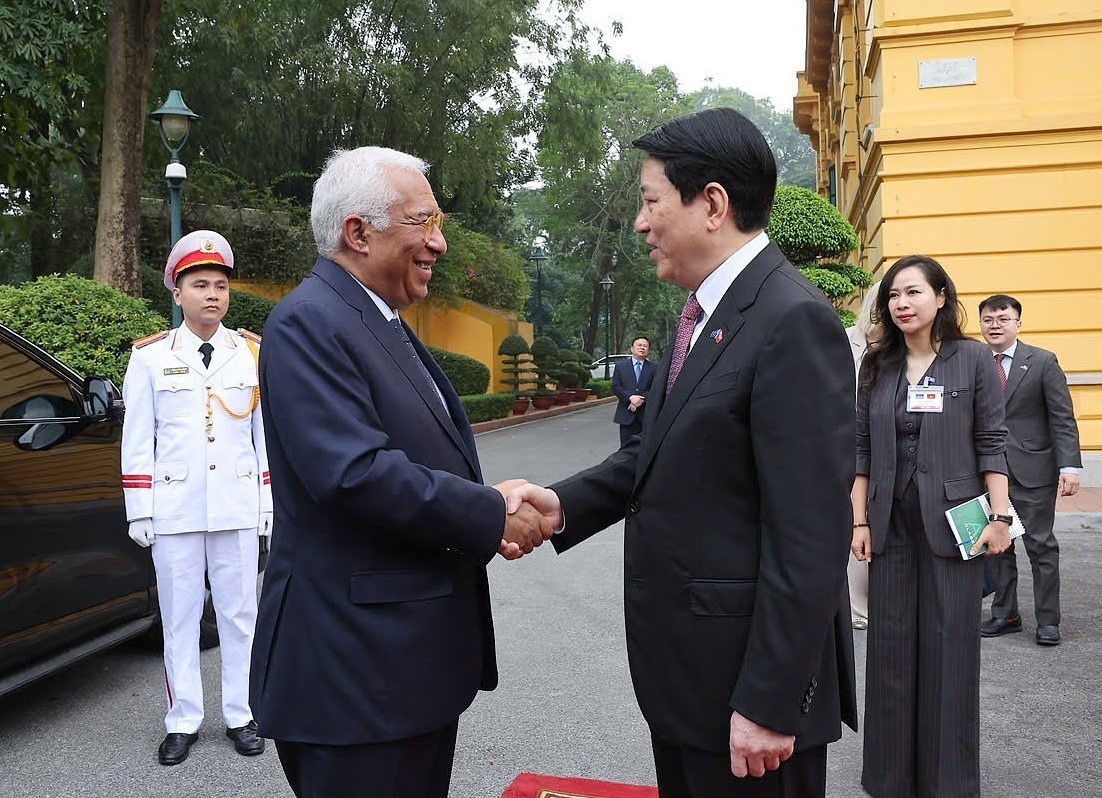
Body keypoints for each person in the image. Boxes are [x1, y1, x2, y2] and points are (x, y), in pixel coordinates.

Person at [506, 108, 857, 797]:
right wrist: (562, 505)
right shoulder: (705, 313)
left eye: (650, 201)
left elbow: (811, 534)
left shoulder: (792, 319)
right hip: (693, 684)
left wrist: (768, 701)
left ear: (713, 205)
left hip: (746, 702)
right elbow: (658, 455)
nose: (640, 223)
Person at [249, 146, 552, 798]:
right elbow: (355, 473)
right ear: (358, 232)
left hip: (399, 673)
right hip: (354, 680)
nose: (439, 243)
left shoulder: (378, 319)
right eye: (424, 223)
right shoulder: (309, 321)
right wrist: (490, 512)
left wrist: (484, 500)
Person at [851, 256, 1012, 797]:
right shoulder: (878, 363)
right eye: (894, 295)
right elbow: (862, 449)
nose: (902, 303)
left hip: (956, 522)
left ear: (941, 297)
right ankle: (890, 778)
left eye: (914, 292)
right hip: (889, 523)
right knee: (891, 650)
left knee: (949, 650)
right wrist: (859, 521)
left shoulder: (971, 359)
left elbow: (991, 440)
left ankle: (948, 781)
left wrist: (999, 515)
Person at [121, 230, 270, 766]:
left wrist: (266, 504)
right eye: (200, 284)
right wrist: (140, 507)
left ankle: (240, 713)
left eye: (221, 285)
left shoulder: (251, 353)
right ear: (177, 292)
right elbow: (137, 439)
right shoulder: (151, 358)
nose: (212, 294)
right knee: (180, 618)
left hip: (234, 502)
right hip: (176, 507)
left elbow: (263, 437)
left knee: (240, 615)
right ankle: (183, 720)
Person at [977, 294, 1082, 646]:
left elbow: (1062, 418)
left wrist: (1069, 465)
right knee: (997, 547)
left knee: (1041, 546)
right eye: (988, 320)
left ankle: (1048, 621)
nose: (995, 325)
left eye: (1003, 319)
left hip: (1033, 469)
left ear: (1018, 323)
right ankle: (1005, 614)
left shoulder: (1041, 361)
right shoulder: (973, 361)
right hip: (987, 470)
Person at [844, 281, 881, 631]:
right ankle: (857, 609)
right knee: (855, 522)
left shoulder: (905, 347)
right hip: (844, 444)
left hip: (884, 447)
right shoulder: (846, 339)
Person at [611, 335, 657, 447]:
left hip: (646, 415)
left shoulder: (654, 368)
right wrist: (631, 398)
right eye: (639, 345)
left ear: (648, 350)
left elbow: (656, 388)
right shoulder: (621, 366)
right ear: (632, 348)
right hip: (626, 414)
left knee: (645, 448)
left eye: (645, 346)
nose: (642, 348)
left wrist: (641, 399)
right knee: (626, 449)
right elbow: (616, 387)